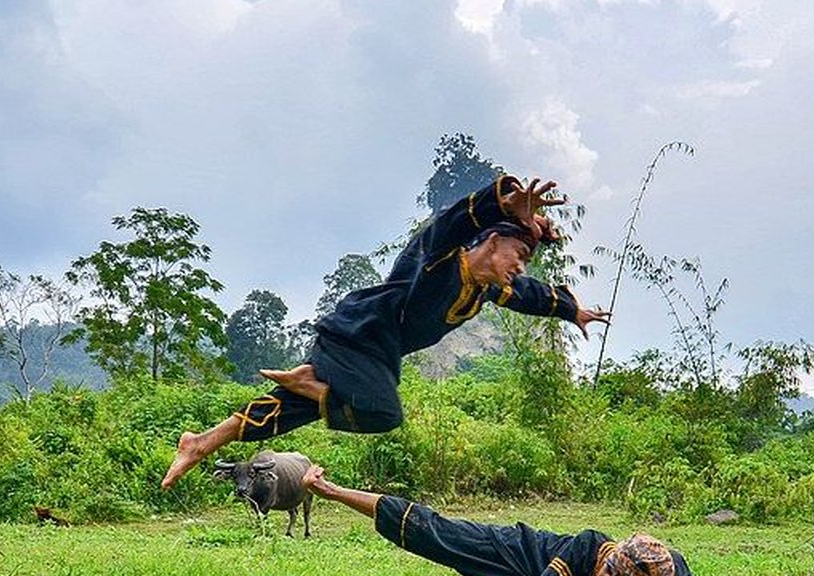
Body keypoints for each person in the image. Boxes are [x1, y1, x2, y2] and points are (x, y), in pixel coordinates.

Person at [162, 175, 610, 490]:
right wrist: (502, 203)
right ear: (491, 243)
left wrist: (572, 311)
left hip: (375, 353)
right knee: (383, 412)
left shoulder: (484, 291)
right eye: (517, 254)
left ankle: (200, 443)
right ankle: (311, 388)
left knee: (292, 411)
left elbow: (528, 294)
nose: (520, 267)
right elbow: (448, 225)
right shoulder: (437, 260)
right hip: (358, 333)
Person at [299, 464, 699, 576]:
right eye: (607, 571)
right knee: (436, 533)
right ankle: (331, 491)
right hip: (515, 552)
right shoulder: (590, 545)